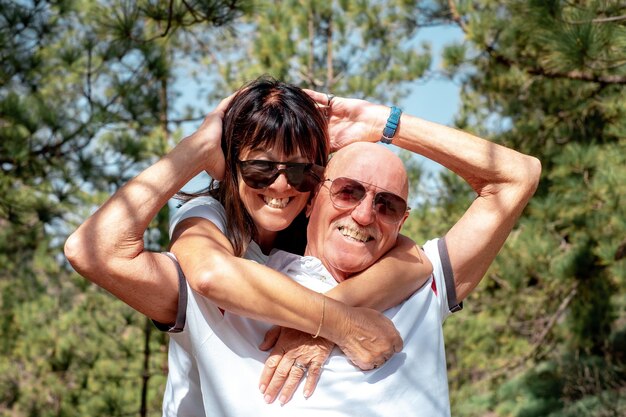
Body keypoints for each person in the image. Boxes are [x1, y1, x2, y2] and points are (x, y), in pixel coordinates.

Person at [64, 77, 433, 408]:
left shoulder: (311, 240)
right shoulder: (209, 218)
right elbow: (203, 271)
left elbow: (414, 258)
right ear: (229, 164)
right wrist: (197, 149)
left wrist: (386, 125)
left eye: (301, 170)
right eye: (261, 167)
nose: (281, 186)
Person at [162, 120, 540, 416]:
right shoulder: (246, 283)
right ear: (310, 199)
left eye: (387, 205)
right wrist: (333, 322)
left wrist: (385, 123)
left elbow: (517, 175)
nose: (363, 214)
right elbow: (112, 255)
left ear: (401, 223)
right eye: (347, 191)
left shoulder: (423, 283)